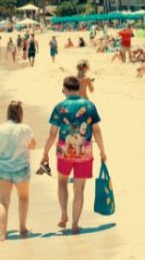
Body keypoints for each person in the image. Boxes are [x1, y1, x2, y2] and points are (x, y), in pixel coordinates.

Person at [39, 76, 106, 234]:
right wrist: (103, 150)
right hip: (85, 152)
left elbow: (52, 134)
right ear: (78, 88)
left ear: (66, 90)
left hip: (64, 152)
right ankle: (75, 225)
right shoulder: (89, 106)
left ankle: (64, 214)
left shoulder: (59, 107)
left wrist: (45, 153)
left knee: (62, 183)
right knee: (79, 189)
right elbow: (96, 130)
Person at [0, 100, 36, 241]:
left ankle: (2, 233)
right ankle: (22, 228)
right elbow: (33, 145)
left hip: (3, 169)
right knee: (23, 198)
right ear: (20, 114)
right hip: (21, 168)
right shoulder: (25, 128)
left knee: (2, 202)